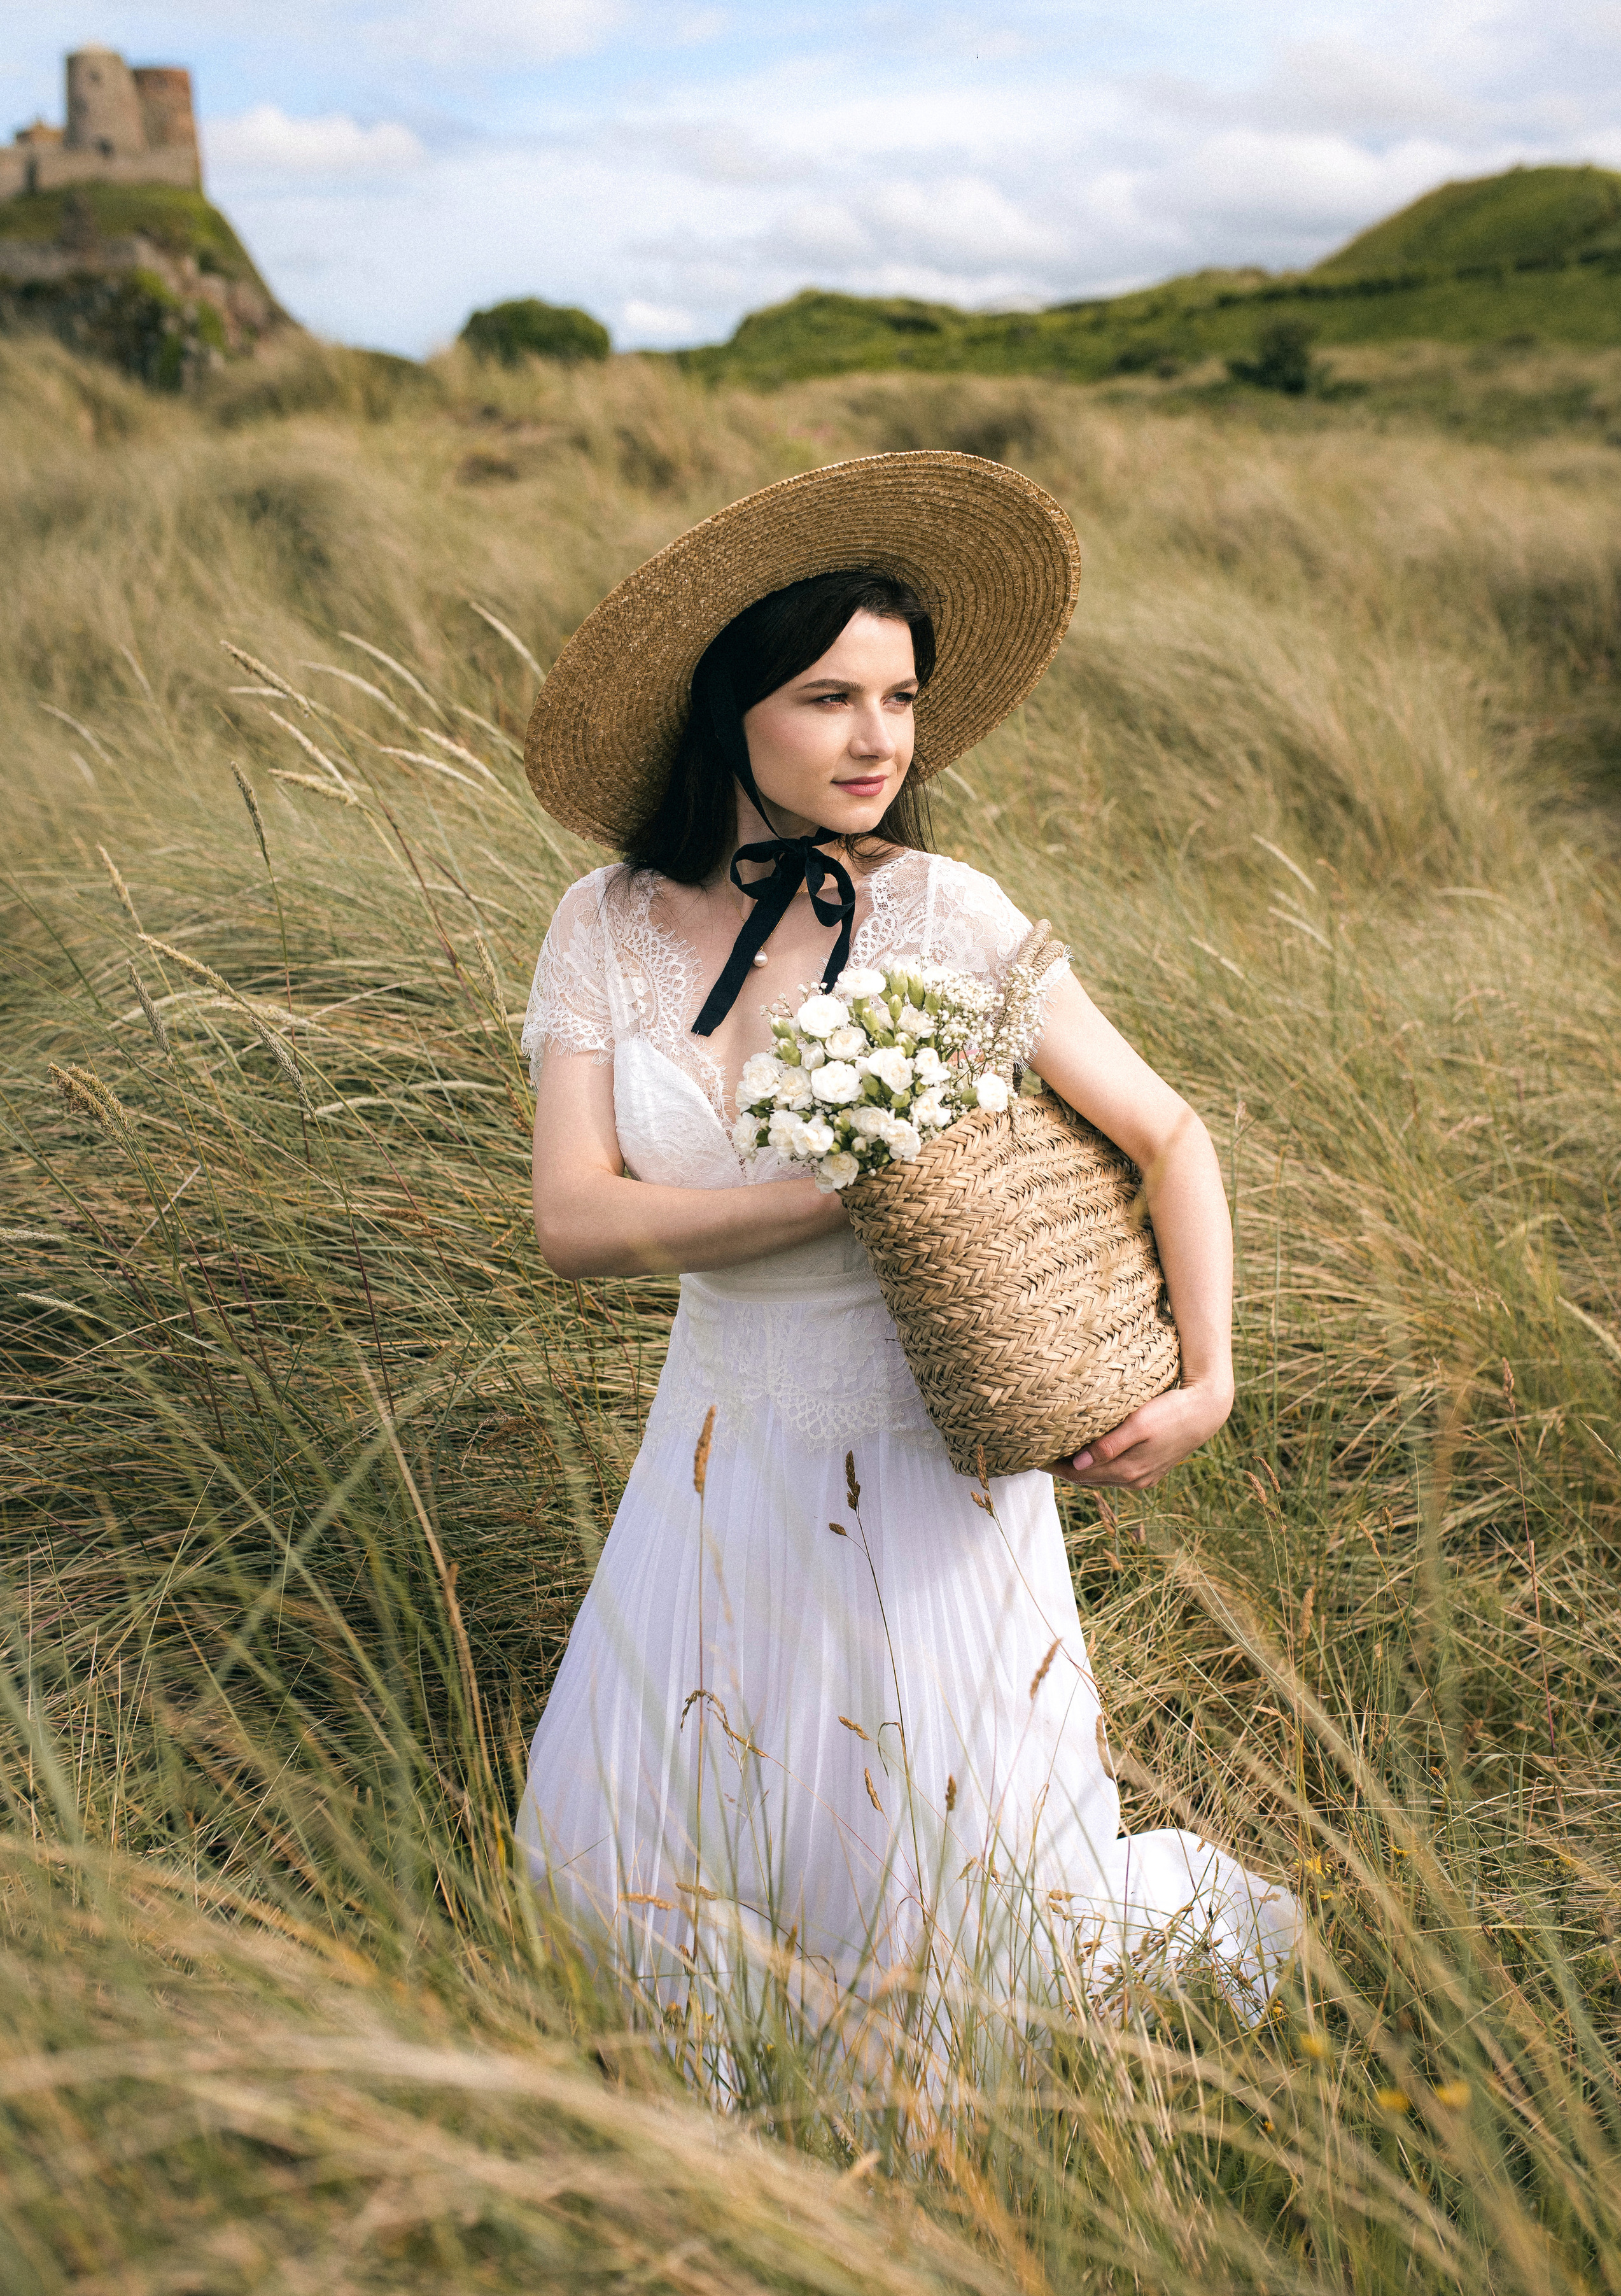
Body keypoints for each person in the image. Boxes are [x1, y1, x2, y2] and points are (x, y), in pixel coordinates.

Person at [515, 451, 1295, 2053]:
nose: (878, 739)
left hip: (928, 1463)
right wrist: (799, 1208)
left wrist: (1207, 1379)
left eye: (900, 697)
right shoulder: (599, 923)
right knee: (651, 1845)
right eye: (826, 696)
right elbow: (571, 1216)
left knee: (955, 1870)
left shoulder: (946, 912)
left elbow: (1169, 1136)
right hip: (716, 1452)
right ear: (729, 707)